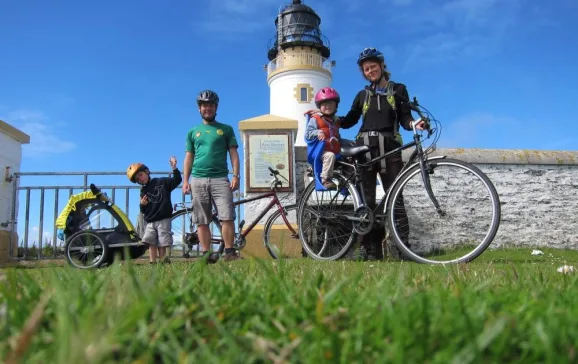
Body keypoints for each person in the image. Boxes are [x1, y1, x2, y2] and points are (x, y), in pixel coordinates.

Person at [309, 47, 425, 260]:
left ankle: (403, 247)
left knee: (396, 198)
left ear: (382, 66)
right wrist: (325, 118)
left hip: (391, 148)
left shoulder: (398, 90)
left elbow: (405, 118)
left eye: (373, 67)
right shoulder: (362, 95)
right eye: (366, 69)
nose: (370, 71)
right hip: (364, 149)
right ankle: (367, 249)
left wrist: (415, 123)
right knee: (366, 200)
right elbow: (350, 119)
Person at [181, 89, 242, 263]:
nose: (207, 108)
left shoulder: (226, 129)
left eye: (210, 105)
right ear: (199, 109)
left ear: (216, 108)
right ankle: (207, 255)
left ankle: (230, 252)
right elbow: (189, 157)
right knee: (202, 220)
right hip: (198, 179)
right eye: (204, 106)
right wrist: (185, 181)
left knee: (227, 216)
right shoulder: (193, 132)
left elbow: (234, 154)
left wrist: (236, 175)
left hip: (220, 179)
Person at [127, 157, 182, 264]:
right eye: (137, 179)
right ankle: (152, 262)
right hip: (150, 221)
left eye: (140, 175)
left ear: (146, 172)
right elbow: (143, 210)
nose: (140, 179)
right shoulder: (143, 191)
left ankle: (162, 260)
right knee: (151, 242)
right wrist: (142, 205)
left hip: (163, 219)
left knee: (162, 243)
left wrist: (174, 168)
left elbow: (177, 180)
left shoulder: (162, 181)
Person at [304, 87, 343, 190]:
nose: (328, 106)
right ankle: (325, 180)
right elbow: (308, 134)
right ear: (319, 106)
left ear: (336, 106)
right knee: (329, 156)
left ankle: (345, 182)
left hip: (335, 150)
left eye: (331, 104)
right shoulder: (315, 119)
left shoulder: (335, 121)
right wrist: (318, 132)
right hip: (320, 151)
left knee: (349, 159)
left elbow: (338, 137)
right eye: (324, 104)